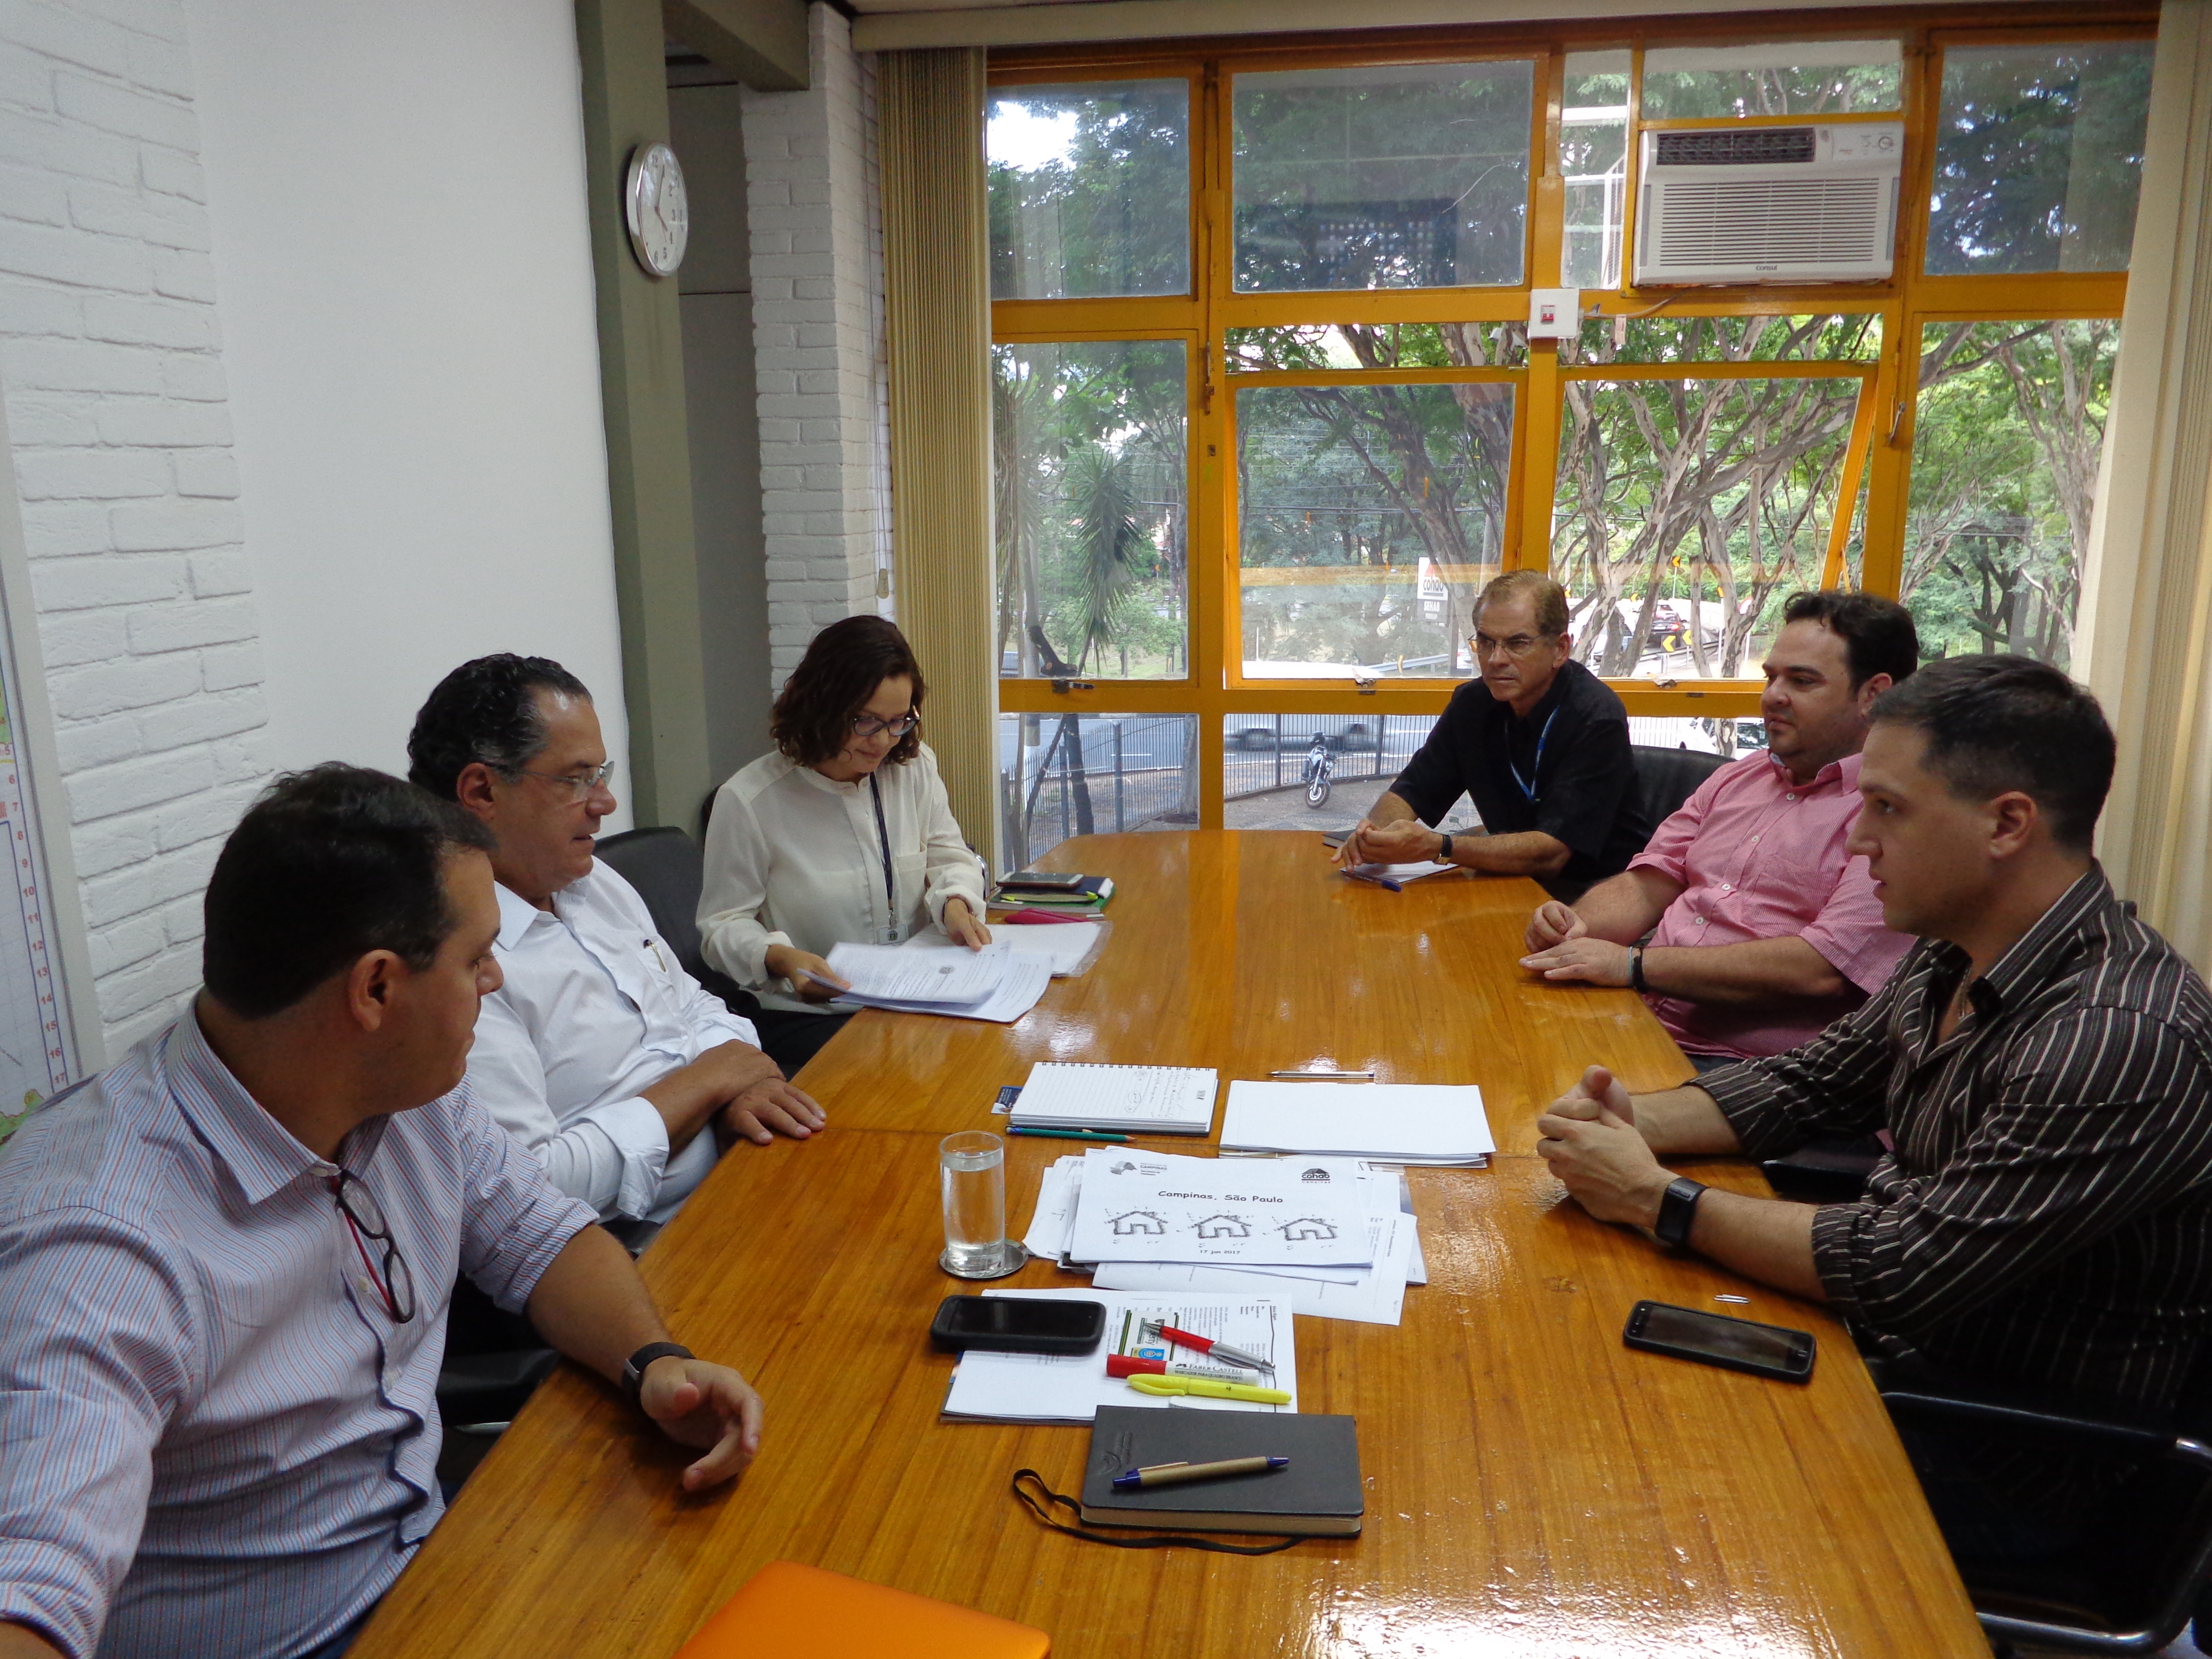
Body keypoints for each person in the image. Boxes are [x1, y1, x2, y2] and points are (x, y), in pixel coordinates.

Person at [0, 766, 766, 1659]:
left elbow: (541, 1238)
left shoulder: (408, 1086)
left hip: (438, 1568)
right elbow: (31, 1584)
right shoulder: (99, 1246)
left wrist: (654, 1365)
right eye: (476, 958)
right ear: (375, 990)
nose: (495, 979)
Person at [1534, 657, 2212, 1541]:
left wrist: (1652, 1196)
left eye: (1887, 808)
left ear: (2007, 823)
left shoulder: (2116, 1036)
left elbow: (1902, 1267)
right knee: (1565, 1361)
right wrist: (1626, 1122)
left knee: (1590, 1478)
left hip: (1994, 1450)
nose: (1857, 841)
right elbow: (1810, 1082)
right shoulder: (1955, 947)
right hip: (1879, 1358)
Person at [408, 655, 821, 1240]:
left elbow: (693, 1005)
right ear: (481, 790)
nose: (605, 804)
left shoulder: (590, 880)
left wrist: (743, 1084)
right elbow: (531, 1188)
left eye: (600, 775)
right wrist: (707, 1085)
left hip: (744, 1159)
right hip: (645, 1240)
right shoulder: (456, 960)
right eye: (576, 780)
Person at [1520, 591, 1919, 1066]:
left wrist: (1632, 966)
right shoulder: (1739, 777)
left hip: (1750, 1068)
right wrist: (1574, 929)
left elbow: (1822, 970)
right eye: (1771, 677)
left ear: (1874, 695)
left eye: (1802, 681)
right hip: (1641, 1018)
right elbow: (1648, 885)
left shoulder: (1897, 813)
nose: (1773, 696)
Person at [697, 616, 989, 1077]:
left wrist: (955, 902)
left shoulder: (912, 769)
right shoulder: (750, 800)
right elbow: (722, 927)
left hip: (916, 1000)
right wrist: (780, 959)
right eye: (866, 722)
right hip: (812, 1017)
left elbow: (949, 856)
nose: (883, 741)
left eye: (899, 721)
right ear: (822, 705)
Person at [1330, 571, 1651, 902]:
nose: (1496, 659)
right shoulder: (1472, 703)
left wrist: (1440, 847)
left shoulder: (1596, 714)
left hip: (1596, 893)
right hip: (1509, 879)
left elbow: (1552, 855)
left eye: (1517, 643)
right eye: (1486, 642)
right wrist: (1373, 834)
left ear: (1560, 649)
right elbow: (1412, 791)